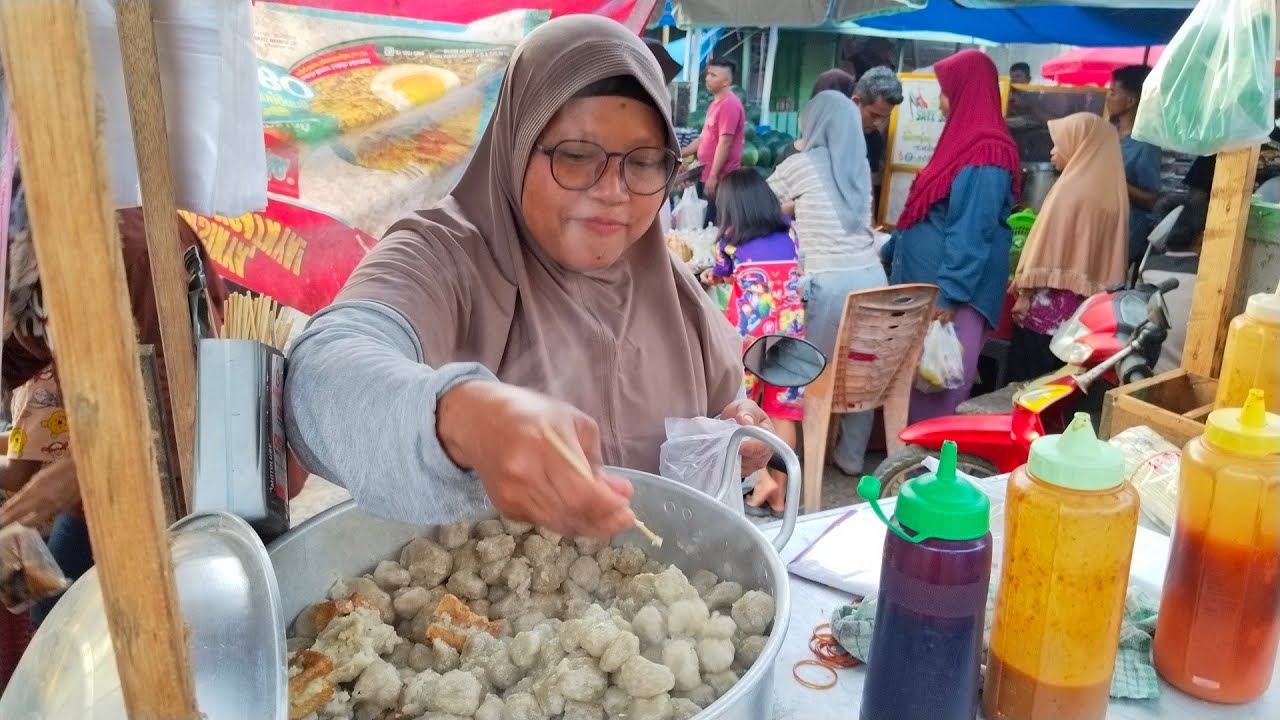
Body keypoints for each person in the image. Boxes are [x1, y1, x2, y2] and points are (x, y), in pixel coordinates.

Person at [284, 16, 774, 540]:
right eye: (577, 156)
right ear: (516, 144)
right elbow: (320, 376)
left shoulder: (674, 289)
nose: (613, 190)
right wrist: (464, 417)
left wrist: (729, 442)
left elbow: (720, 424)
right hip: (480, 614)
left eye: (645, 161)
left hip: (662, 605)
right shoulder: (443, 255)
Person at [0, 171, 228, 626]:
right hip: (106, 462)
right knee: (55, 613)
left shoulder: (129, 255)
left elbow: (174, 405)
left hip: (190, 470)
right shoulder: (25, 270)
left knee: (177, 619)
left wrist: (75, 471)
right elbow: (20, 350)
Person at [881, 50, 1020, 422]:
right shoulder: (962, 143)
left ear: (965, 91)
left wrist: (950, 292)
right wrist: (892, 249)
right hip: (933, 288)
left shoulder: (987, 151)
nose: (941, 103)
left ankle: (927, 466)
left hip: (955, 295)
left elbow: (972, 229)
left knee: (940, 379)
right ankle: (908, 456)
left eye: (944, 92)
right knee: (921, 378)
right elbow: (926, 209)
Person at [768, 90, 885, 476]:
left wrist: (790, 210)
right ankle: (851, 456)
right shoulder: (858, 167)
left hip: (828, 284)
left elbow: (758, 205)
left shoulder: (801, 164)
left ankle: (789, 454)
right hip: (873, 278)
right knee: (863, 368)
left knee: (797, 367)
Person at [700, 169, 804, 512]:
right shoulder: (790, 233)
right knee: (782, 412)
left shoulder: (731, 240)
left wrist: (709, 276)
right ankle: (778, 492)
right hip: (789, 337)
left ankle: (762, 481)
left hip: (747, 339)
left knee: (742, 408)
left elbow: (719, 272)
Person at [1009, 113, 1129, 382]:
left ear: (1081, 144)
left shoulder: (1071, 190)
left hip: (1044, 316)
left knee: (1027, 385)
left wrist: (1024, 294)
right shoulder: (1114, 196)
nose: (1053, 151)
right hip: (1082, 325)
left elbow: (1046, 248)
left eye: (1060, 143)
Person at [680, 57, 746, 227]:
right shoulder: (715, 104)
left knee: (714, 223)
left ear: (726, 81)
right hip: (706, 173)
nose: (707, 78)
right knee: (704, 222)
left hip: (721, 178)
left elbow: (725, 143)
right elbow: (704, 138)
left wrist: (713, 176)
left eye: (713, 75)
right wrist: (682, 153)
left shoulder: (729, 105)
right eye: (708, 74)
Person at [1108, 65, 1163, 265]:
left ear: (1130, 101)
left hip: (1123, 237)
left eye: (1113, 93)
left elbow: (1150, 199)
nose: (1108, 97)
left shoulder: (1144, 145)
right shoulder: (1105, 134)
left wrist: (1114, 180)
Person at [852, 67, 904, 210]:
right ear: (856, 102)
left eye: (885, 117)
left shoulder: (874, 140)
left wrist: (871, 228)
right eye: (874, 115)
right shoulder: (827, 131)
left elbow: (868, 189)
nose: (878, 123)